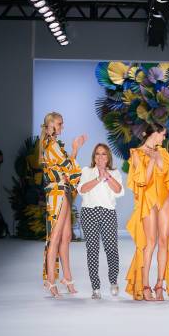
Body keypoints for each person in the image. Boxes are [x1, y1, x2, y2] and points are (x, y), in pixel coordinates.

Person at [125, 123, 169, 301]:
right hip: (148, 200)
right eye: (163, 134)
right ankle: (145, 285)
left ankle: (160, 284)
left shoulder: (163, 152)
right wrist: (151, 159)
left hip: (164, 200)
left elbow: (168, 177)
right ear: (154, 134)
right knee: (149, 242)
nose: (164, 138)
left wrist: (168, 165)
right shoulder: (136, 153)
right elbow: (142, 180)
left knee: (164, 241)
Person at [39, 112, 87, 298]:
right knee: (56, 237)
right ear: (51, 125)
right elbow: (70, 167)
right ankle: (51, 281)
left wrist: (73, 153)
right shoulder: (51, 145)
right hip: (57, 192)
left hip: (63, 190)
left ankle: (67, 278)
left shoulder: (54, 145)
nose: (62, 126)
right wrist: (75, 149)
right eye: (59, 124)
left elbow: (69, 169)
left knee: (66, 236)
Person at [77, 143, 124, 299]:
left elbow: (118, 190)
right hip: (89, 212)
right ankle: (95, 288)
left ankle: (113, 281)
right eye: (97, 154)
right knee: (92, 251)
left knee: (111, 249)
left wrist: (107, 176)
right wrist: (98, 178)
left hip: (108, 213)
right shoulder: (86, 171)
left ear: (108, 156)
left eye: (103, 154)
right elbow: (82, 189)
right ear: (94, 157)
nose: (100, 157)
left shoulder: (115, 172)